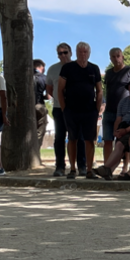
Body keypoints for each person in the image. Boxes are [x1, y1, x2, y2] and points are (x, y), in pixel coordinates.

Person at [57, 42, 103, 180]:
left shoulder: (94, 68)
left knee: (89, 140)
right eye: (80, 52)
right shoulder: (68, 68)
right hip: (71, 110)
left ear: (89, 53)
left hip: (90, 111)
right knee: (72, 139)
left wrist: (97, 108)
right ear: (76, 53)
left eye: (85, 52)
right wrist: (64, 108)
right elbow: (60, 89)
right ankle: (72, 169)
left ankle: (89, 170)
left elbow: (99, 90)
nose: (83, 54)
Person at [98, 77, 130, 180]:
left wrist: (126, 131)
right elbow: (118, 119)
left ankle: (107, 168)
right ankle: (109, 169)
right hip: (124, 129)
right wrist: (117, 132)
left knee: (120, 144)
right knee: (119, 143)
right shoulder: (123, 102)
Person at [46, 43, 80, 177]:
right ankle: (60, 166)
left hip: (75, 109)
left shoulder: (78, 67)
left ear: (71, 53)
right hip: (58, 108)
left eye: (65, 52)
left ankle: (80, 166)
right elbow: (49, 87)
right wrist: (54, 99)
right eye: (60, 53)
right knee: (59, 137)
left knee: (77, 137)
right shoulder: (53, 69)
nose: (63, 55)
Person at [100, 48, 130, 175]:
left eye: (118, 56)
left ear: (122, 56)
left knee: (123, 141)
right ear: (110, 58)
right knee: (107, 140)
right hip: (109, 111)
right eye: (113, 57)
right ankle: (107, 168)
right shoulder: (109, 73)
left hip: (124, 113)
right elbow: (106, 90)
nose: (116, 59)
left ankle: (125, 167)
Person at [33, 58, 49, 158]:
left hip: (26, 107)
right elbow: (48, 96)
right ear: (41, 67)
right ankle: (35, 155)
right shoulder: (44, 78)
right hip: (39, 105)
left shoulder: (25, 77)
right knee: (40, 131)